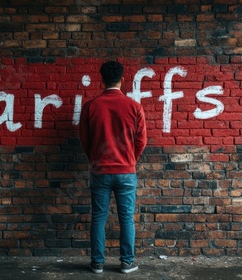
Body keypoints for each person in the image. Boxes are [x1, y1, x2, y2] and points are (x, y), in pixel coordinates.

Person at [79, 61, 147, 274]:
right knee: (126, 218)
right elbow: (141, 141)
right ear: (122, 79)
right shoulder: (134, 106)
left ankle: (97, 263)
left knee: (99, 217)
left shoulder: (90, 106)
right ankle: (127, 262)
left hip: (100, 171)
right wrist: (130, 160)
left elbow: (85, 139)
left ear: (102, 79)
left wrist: (94, 159)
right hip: (126, 171)